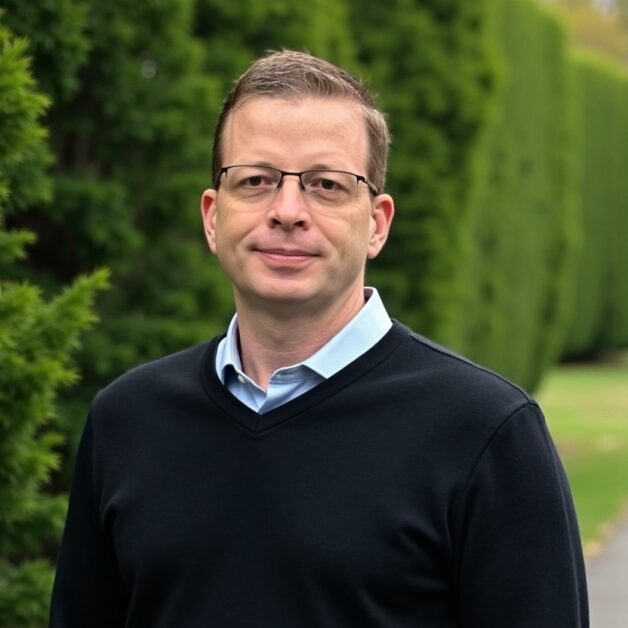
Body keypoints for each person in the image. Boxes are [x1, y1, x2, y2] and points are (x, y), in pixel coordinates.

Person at [50, 50, 588, 627]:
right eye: (255, 180)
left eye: (326, 184)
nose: (287, 211)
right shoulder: (127, 421)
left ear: (377, 223)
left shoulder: (486, 432)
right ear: (212, 216)